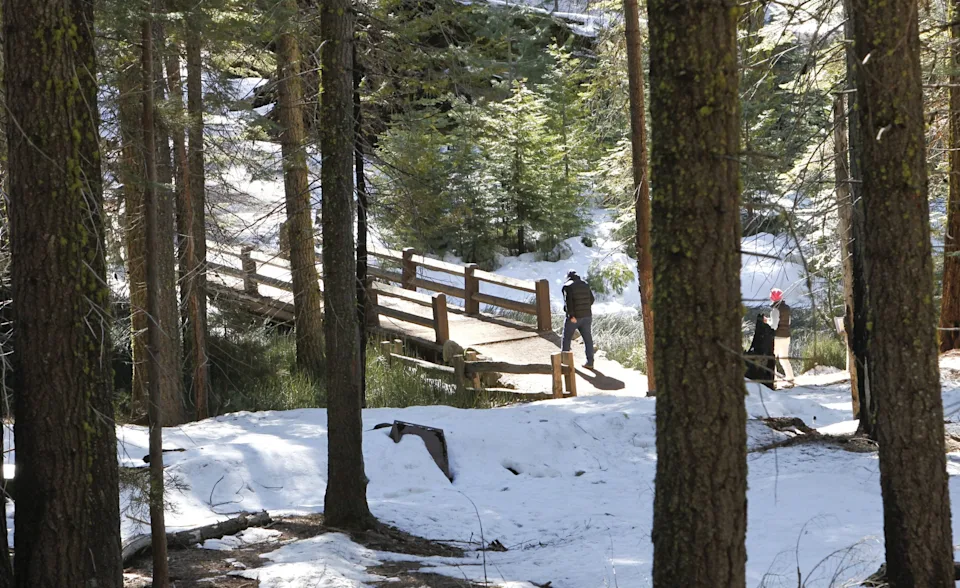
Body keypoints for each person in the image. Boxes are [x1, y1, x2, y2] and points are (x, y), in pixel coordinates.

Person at [562, 270, 595, 369]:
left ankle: (565, 362)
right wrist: (585, 308)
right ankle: (590, 362)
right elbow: (592, 299)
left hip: (574, 317)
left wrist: (571, 315)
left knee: (567, 338)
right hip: (587, 316)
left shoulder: (567, 286)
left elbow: (568, 303)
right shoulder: (585, 285)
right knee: (588, 339)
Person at [769, 287, 794, 385]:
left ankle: (773, 379)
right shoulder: (787, 308)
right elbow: (788, 322)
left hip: (777, 337)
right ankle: (790, 377)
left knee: (772, 358)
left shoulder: (775, 310)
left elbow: (774, 326)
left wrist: (768, 323)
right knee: (784, 358)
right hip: (786, 336)